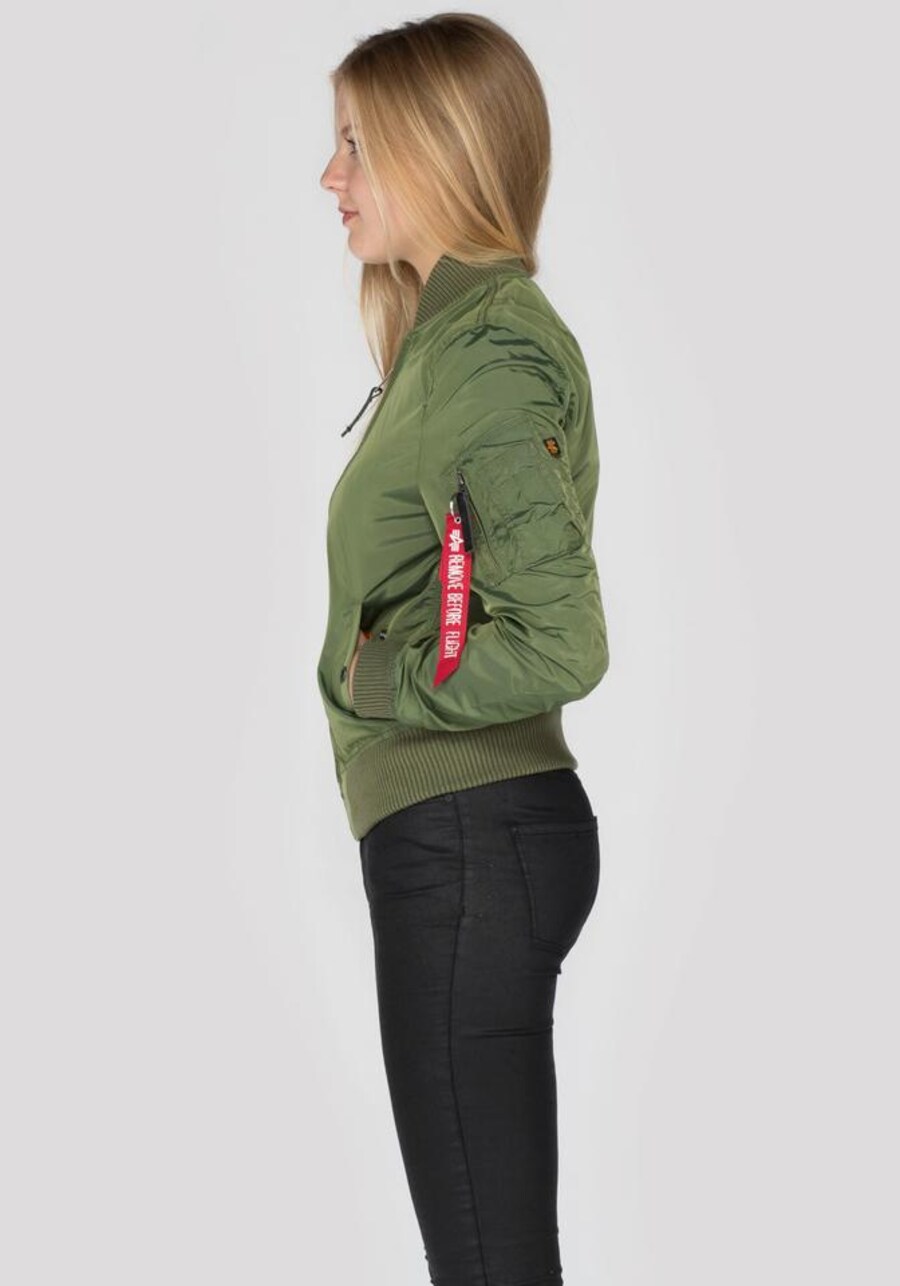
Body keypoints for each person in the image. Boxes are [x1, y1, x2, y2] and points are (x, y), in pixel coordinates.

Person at [317, 13, 610, 1286]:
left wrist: (381, 678)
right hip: (470, 839)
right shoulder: (453, 339)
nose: (330, 176)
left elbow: (562, 637)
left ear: (435, 151)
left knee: (488, 1264)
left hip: (469, 840)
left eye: (356, 144)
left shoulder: (486, 350)